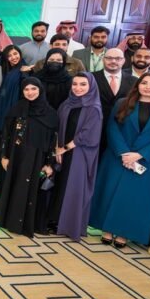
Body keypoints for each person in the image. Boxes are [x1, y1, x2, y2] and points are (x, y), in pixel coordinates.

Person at [89, 72, 150, 249]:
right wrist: (124, 153)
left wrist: (140, 154)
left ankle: (124, 232)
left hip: (146, 161)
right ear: (138, 85)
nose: (148, 87)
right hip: (117, 157)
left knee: (134, 199)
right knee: (110, 193)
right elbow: (112, 128)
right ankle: (107, 229)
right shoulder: (122, 103)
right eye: (144, 83)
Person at [0, 77, 58, 236]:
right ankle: (12, 222)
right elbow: (6, 134)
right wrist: (4, 156)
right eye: (26, 89)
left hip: (38, 159)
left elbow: (53, 140)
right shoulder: (17, 109)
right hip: (17, 156)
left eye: (33, 89)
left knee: (33, 190)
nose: (30, 92)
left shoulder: (50, 114)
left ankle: (29, 223)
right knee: (17, 187)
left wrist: (49, 163)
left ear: (40, 90)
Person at [48, 74, 103, 241]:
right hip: (62, 151)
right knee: (60, 184)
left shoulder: (94, 108)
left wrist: (64, 149)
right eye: (75, 84)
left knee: (74, 187)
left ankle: (69, 224)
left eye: (83, 84)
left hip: (80, 153)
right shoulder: (66, 104)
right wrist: (57, 148)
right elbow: (57, 126)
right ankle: (56, 220)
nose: (78, 88)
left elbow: (87, 135)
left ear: (91, 86)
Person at [0, 45, 25, 159]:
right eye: (9, 55)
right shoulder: (3, 68)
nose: (13, 57)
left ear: (20, 54)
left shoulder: (24, 69)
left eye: (15, 54)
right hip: (1, 104)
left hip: (15, 105)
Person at [93, 48, 135, 123]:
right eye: (109, 58)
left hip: (122, 123)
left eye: (118, 58)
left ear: (123, 61)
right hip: (96, 122)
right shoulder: (91, 78)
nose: (113, 61)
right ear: (103, 59)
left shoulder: (134, 81)